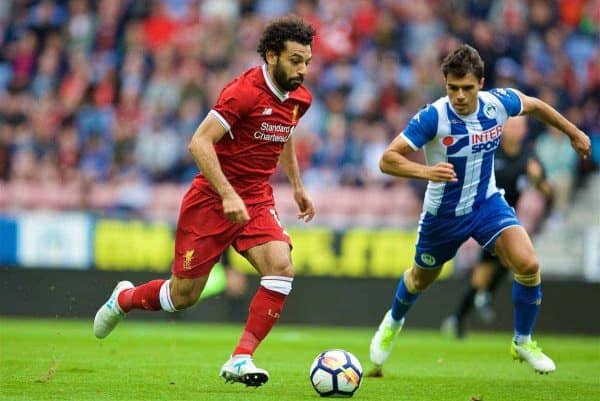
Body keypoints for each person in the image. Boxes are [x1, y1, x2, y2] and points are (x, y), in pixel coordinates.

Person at [93, 16, 316, 387]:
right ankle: (125, 298)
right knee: (182, 296)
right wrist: (227, 193)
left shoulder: (299, 99)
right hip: (211, 200)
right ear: (272, 55)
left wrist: (296, 184)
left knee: (281, 266)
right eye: (295, 60)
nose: (303, 70)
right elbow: (199, 142)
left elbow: (286, 133)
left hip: (257, 200)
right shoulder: (242, 91)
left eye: (307, 61)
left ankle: (241, 358)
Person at [368, 45, 591, 376]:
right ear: (445, 85)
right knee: (419, 279)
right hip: (442, 215)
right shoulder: (434, 117)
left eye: (467, 88)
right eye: (452, 88)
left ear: (481, 83)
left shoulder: (497, 104)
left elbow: (535, 105)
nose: (459, 96)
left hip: (486, 203)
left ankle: (522, 340)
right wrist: (426, 172)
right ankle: (393, 320)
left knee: (528, 263)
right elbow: (388, 159)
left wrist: (573, 132)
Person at [441, 115, 554, 339]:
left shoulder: (529, 157)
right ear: (502, 129)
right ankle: (471, 308)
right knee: (494, 269)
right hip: (483, 218)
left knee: (500, 267)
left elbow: (549, 193)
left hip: (505, 220)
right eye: (511, 126)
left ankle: (462, 315)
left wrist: (538, 180)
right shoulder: (490, 153)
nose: (515, 130)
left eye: (519, 126)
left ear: (524, 131)